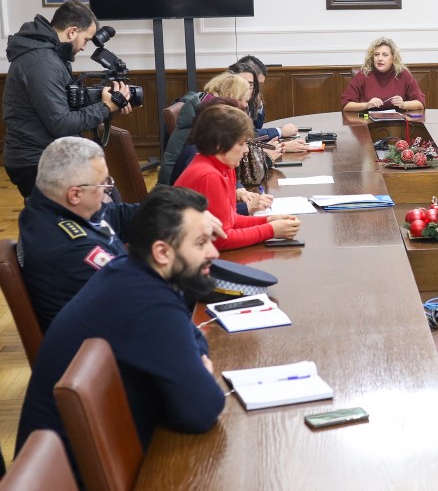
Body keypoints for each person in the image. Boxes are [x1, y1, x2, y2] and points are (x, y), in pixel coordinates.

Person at [15, 186, 226, 470]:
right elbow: (202, 409)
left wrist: (194, 356)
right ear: (162, 251)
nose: (213, 252)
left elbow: (193, 336)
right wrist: (198, 368)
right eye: (201, 243)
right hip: (72, 476)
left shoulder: (131, 270)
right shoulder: (147, 302)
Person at [2, 1, 133, 197]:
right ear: (72, 32)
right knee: (105, 199)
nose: (83, 47)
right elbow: (61, 123)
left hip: (48, 154)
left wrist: (107, 104)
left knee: (108, 195)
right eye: (86, 40)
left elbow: (64, 104)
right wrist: (105, 108)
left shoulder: (50, 55)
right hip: (36, 160)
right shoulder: (42, 62)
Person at [17, 137, 136, 331]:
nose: (108, 188)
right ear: (75, 194)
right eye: (103, 183)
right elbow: (136, 296)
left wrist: (175, 213)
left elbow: (114, 216)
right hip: (101, 350)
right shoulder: (72, 248)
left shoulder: (49, 205)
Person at [174, 104, 300, 250]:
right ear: (219, 145)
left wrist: (268, 220)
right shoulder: (209, 175)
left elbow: (230, 219)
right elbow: (221, 239)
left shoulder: (225, 167)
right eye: (241, 144)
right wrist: (271, 230)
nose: (246, 150)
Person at [159, 72, 254, 185]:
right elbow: (216, 166)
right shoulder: (211, 120)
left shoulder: (204, 108)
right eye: (246, 100)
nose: (246, 105)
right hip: (176, 193)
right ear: (231, 95)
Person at [341, 37, 426, 111]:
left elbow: (420, 104)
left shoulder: (403, 74)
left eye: (385, 55)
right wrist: (366, 105)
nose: (380, 59)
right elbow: (346, 105)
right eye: (376, 55)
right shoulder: (363, 74)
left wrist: (403, 104)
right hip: (367, 124)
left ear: (393, 58)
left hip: (397, 125)